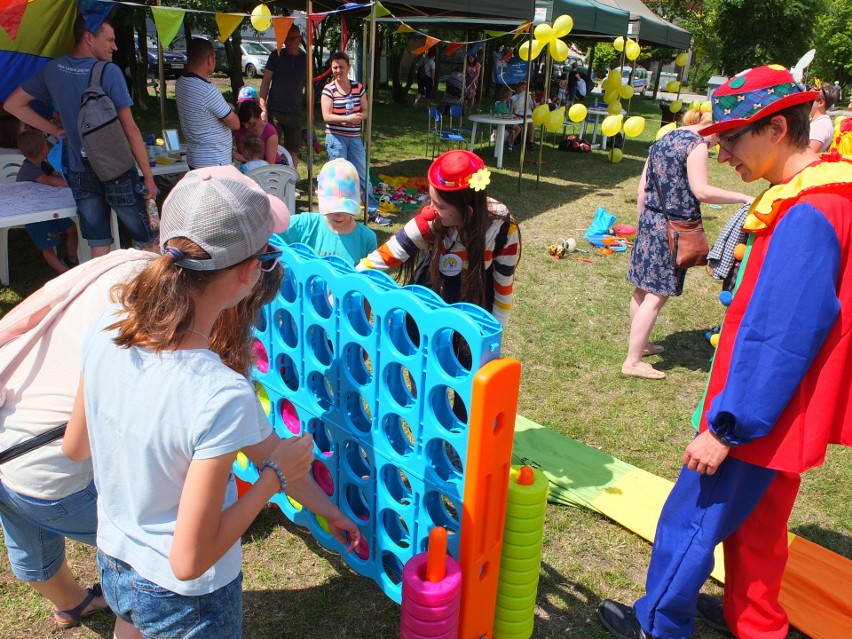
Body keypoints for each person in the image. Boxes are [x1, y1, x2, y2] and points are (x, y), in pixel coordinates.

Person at [599, 65, 852, 639]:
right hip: (791, 410)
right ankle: (756, 624)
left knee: (691, 518)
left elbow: (781, 336)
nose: (723, 153)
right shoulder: (830, 192)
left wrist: (728, 427)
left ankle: (659, 624)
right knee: (760, 530)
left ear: (778, 130)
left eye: (733, 137)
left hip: (761, 411)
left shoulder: (809, 212)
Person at [62, 166, 361, 638]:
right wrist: (274, 478)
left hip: (116, 563)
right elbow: (189, 560)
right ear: (248, 274)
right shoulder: (219, 393)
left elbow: (75, 448)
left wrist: (331, 511)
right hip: (186, 602)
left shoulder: (108, 324)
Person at [0, 246, 160, 635]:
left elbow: (23, 317)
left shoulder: (113, 260)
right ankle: (137, 623)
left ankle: (73, 603)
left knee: (28, 539)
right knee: (158, 548)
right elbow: (86, 442)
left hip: (8, 433)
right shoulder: (147, 310)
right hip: (45, 468)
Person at [4, 16, 156, 258]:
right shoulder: (109, 72)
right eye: (109, 40)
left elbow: (13, 104)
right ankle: (156, 292)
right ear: (88, 38)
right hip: (116, 168)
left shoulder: (52, 70)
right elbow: (130, 129)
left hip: (79, 170)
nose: (114, 46)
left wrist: (53, 130)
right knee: (147, 238)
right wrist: (148, 177)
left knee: (98, 241)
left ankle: (98, 293)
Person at [622, 108, 753, 380]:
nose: (722, 147)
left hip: (650, 220)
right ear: (717, 130)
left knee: (642, 289)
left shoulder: (664, 139)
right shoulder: (698, 145)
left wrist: (644, 225)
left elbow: (641, 189)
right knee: (657, 295)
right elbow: (702, 191)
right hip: (673, 229)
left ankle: (641, 345)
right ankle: (633, 361)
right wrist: (742, 197)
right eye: (725, 139)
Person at [357, 150, 520, 328]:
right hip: (432, 291)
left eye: (440, 205)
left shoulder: (502, 228)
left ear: (468, 211)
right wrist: (347, 282)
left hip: (474, 299)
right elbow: (385, 255)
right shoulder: (432, 220)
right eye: (430, 199)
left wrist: (495, 330)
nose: (431, 209)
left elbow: (503, 284)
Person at [321, 51, 389, 226]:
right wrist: (347, 119)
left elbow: (366, 111)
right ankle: (338, 212)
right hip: (336, 138)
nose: (338, 70)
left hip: (354, 138)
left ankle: (372, 211)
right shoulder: (328, 89)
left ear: (348, 67)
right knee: (339, 176)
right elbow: (326, 116)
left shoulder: (358, 87)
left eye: (341, 67)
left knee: (362, 173)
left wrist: (359, 117)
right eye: (335, 67)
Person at [280, 158, 377, 266]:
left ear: (359, 196)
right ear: (317, 195)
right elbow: (267, 232)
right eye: (332, 207)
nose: (339, 214)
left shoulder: (366, 239)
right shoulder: (305, 225)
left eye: (345, 207)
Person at [15, 129, 79, 274]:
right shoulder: (29, 169)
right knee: (48, 246)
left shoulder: (41, 163)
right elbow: (50, 180)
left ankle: (71, 259)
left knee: (72, 229)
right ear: (44, 150)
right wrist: (73, 183)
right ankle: (64, 273)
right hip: (35, 214)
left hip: (49, 208)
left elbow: (56, 174)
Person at [175, 38, 239, 169]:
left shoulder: (181, 83)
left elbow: (203, 110)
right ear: (210, 60)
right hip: (214, 159)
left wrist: (224, 108)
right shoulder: (207, 91)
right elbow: (235, 123)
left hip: (195, 156)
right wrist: (229, 109)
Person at [259, 25, 306, 170]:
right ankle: (273, 180)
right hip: (275, 110)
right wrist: (263, 107)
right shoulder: (276, 55)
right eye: (284, 39)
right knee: (272, 149)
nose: (287, 42)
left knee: (292, 151)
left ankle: (291, 183)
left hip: (295, 112)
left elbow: (309, 86)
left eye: (291, 39)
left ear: (299, 38)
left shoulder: (305, 59)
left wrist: (310, 114)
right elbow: (265, 82)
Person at [233, 100, 282, 166]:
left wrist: (244, 159)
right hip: (246, 168)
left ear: (259, 118)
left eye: (252, 124)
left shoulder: (270, 132)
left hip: (270, 169)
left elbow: (270, 164)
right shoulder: (237, 127)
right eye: (243, 123)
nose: (246, 127)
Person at [808, 84, 836, 153]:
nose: (806, 101)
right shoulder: (819, 122)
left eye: (810, 98)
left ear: (820, 102)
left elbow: (808, 155)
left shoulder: (820, 126)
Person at [510, 80, 536, 149]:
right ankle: (513, 141)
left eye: (525, 88)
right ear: (517, 88)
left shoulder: (529, 96)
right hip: (518, 115)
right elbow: (512, 109)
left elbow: (535, 108)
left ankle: (531, 142)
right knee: (518, 125)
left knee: (532, 123)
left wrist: (533, 99)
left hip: (528, 115)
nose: (524, 89)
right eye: (522, 88)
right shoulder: (514, 97)